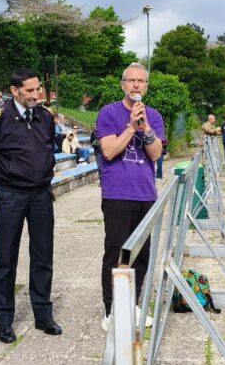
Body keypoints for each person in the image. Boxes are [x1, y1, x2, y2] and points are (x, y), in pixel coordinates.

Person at [0, 67, 62, 344]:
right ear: (14, 91)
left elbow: (48, 150)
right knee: (6, 259)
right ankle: (4, 320)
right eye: (30, 90)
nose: (36, 95)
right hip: (11, 196)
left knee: (43, 257)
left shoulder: (44, 117)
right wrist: (3, 186)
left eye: (38, 89)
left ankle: (43, 315)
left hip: (41, 196)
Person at [96, 62, 165, 332]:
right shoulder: (109, 113)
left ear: (146, 86)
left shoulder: (154, 116)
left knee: (141, 255)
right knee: (116, 253)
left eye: (141, 81)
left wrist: (145, 128)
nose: (136, 84)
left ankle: (132, 305)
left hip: (145, 194)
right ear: (123, 84)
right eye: (131, 80)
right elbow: (109, 151)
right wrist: (130, 128)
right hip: (117, 194)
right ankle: (112, 310)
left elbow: (155, 154)